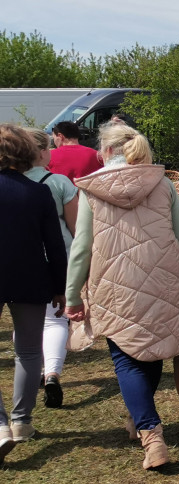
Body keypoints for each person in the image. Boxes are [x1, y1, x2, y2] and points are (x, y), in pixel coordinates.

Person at [64, 123, 179, 469]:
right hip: (164, 278)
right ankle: (140, 419)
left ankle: (150, 433)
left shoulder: (90, 190)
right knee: (151, 353)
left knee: (127, 357)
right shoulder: (163, 184)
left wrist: (72, 295)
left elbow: (81, 248)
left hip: (112, 284)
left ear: (105, 151)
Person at [0, 124, 67, 460]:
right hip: (30, 276)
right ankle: (21, 421)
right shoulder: (38, 192)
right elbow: (54, 246)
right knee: (27, 351)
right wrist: (60, 287)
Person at [23, 129, 79, 408]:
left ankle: (33, 372)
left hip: (23, 261)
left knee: (25, 322)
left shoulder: (10, 182)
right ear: (43, 152)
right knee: (56, 320)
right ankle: (52, 372)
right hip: (60, 257)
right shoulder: (58, 183)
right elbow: (76, 228)